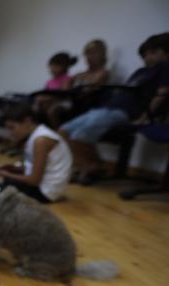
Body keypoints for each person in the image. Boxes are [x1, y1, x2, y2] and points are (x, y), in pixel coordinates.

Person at [59, 33, 169, 184]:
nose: (147, 57)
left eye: (152, 53)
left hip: (125, 112)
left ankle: (90, 167)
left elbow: (162, 94)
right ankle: (93, 165)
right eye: (145, 54)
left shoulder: (165, 68)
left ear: (164, 52)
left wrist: (144, 117)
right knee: (63, 131)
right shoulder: (140, 72)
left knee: (80, 134)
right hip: (107, 108)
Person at [0, 103, 72, 203]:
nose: (11, 133)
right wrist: (5, 169)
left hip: (45, 192)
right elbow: (30, 166)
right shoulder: (35, 135)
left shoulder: (41, 140)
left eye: (12, 128)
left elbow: (34, 180)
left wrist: (4, 174)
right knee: (2, 172)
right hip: (41, 183)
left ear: (27, 121)